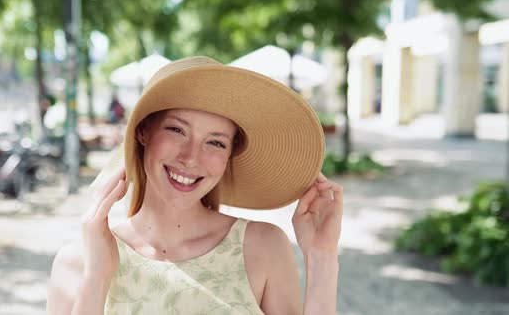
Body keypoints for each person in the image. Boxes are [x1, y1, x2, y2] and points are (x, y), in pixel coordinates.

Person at [47, 56, 343, 314]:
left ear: (229, 155)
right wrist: (97, 275)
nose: (190, 158)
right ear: (143, 132)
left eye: (215, 142)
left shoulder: (263, 246)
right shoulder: (78, 261)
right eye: (176, 130)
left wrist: (322, 258)